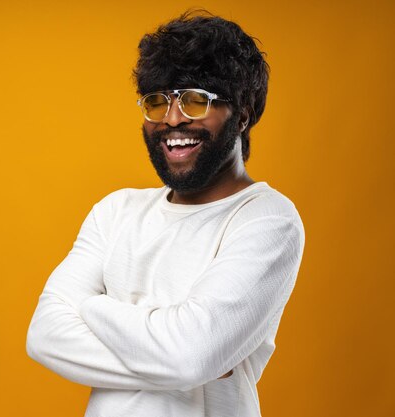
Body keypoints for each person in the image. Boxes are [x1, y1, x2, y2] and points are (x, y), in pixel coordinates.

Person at [26, 10, 305, 417]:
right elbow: (45, 336)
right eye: (157, 101)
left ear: (242, 113)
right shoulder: (115, 211)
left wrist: (92, 307)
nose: (173, 119)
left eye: (195, 100)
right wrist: (185, 360)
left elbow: (188, 356)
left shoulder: (266, 219)